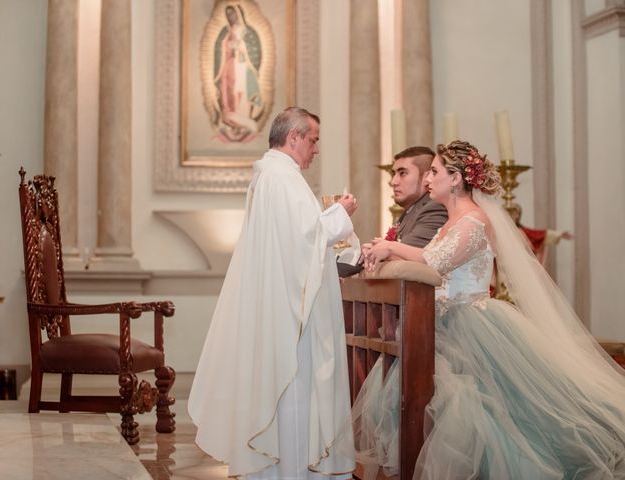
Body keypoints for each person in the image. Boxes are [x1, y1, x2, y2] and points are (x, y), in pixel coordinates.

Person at [362, 140, 625, 479]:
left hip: (471, 323)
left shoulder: (473, 221)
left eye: (436, 172)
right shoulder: (449, 223)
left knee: (486, 410)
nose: (429, 179)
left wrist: (389, 246)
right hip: (443, 320)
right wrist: (382, 251)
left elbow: (435, 262)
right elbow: (426, 261)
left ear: (455, 178)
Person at [188, 107, 357, 479]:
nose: (316, 150)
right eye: (313, 140)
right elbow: (306, 238)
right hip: (289, 316)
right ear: (293, 137)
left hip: (282, 306)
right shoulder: (282, 178)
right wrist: (340, 212)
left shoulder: (275, 176)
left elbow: (297, 238)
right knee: (293, 390)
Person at [336, 146, 447, 278]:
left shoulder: (434, 208)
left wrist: (375, 250)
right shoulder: (411, 210)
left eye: (403, 173)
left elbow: (407, 254)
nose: (393, 182)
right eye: (394, 174)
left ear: (427, 177)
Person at [214, 5, 263, 141]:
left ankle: (244, 121)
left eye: (233, 14)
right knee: (230, 96)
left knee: (241, 94)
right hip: (229, 68)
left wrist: (241, 49)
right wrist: (219, 74)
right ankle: (234, 122)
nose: (231, 17)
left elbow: (250, 53)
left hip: (242, 67)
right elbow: (224, 53)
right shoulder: (228, 34)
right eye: (228, 15)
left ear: (238, 14)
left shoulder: (247, 33)